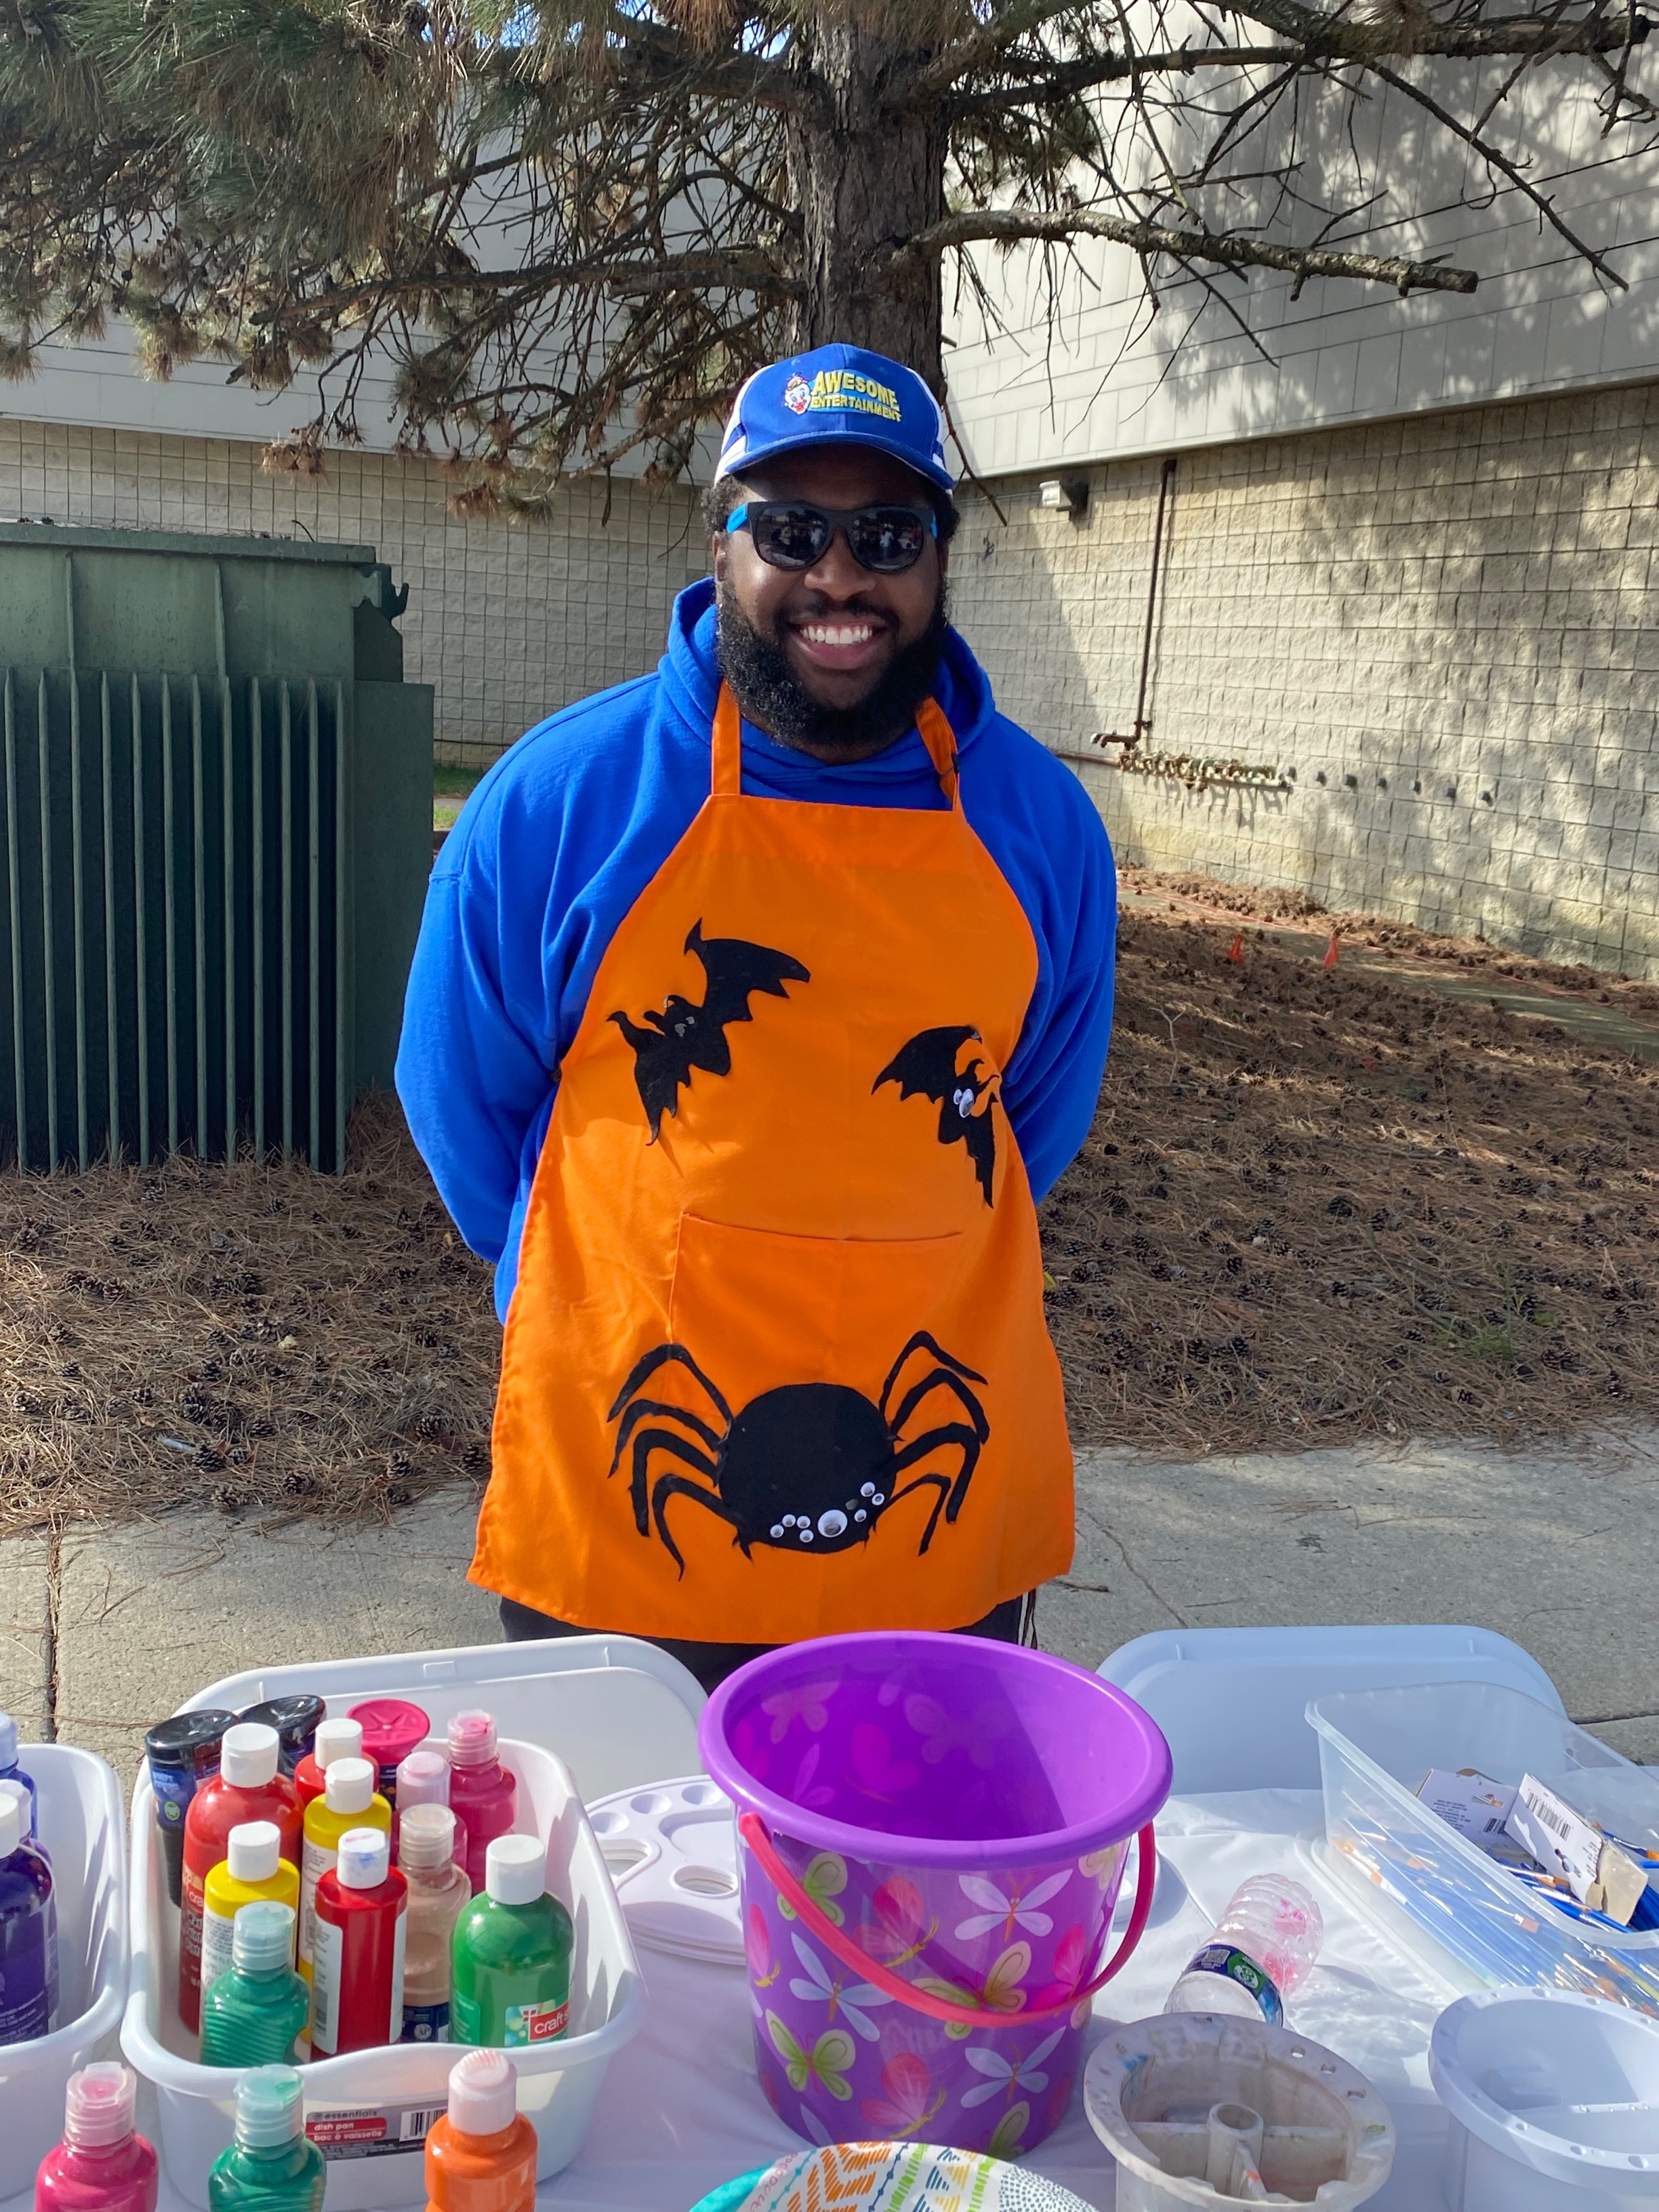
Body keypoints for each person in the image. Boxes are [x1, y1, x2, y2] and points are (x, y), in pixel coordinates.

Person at [397, 343, 1118, 1692]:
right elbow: (460, 1099)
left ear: (942, 559)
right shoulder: (561, 801)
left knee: (906, 1882)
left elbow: (1037, 1123)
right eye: (791, 530)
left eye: (887, 534)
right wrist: (594, 1289)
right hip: (628, 1478)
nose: (840, 577)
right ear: (723, 543)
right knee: (622, 1884)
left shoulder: (1045, 830)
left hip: (930, 1530)